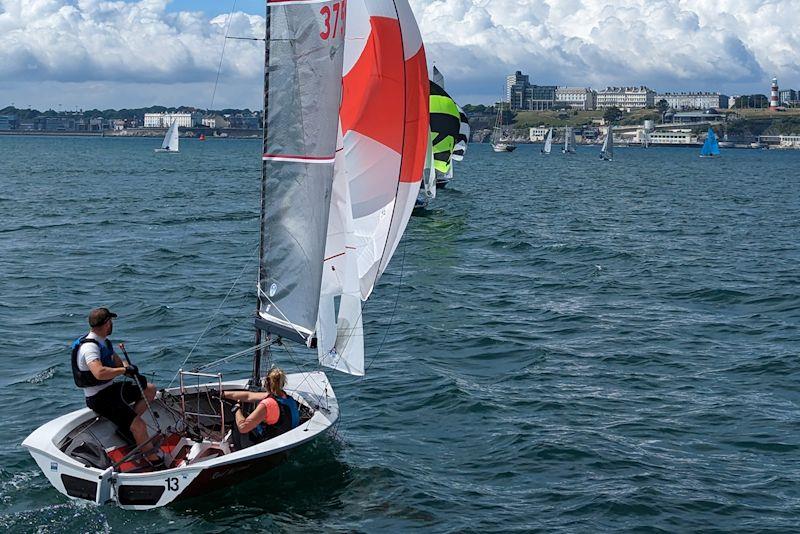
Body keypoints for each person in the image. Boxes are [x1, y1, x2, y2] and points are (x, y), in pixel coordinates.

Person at [71, 307, 160, 463]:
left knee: (150, 389)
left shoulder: (103, 342)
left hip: (111, 390)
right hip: (99, 398)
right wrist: (122, 370)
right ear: (106, 324)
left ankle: (126, 427)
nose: (112, 324)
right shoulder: (89, 348)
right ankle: (152, 458)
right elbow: (99, 372)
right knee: (139, 426)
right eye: (111, 321)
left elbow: (119, 363)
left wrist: (132, 373)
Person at [222, 367, 300, 444]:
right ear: (282, 383)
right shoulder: (287, 398)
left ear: (266, 383)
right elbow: (249, 396)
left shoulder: (268, 404)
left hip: (268, 445)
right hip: (285, 440)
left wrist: (237, 409)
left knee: (238, 422)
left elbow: (243, 428)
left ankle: (235, 450)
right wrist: (223, 394)